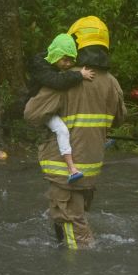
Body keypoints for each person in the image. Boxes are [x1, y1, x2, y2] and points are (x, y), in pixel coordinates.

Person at [24, 16, 125, 249]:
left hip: (65, 171)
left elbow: (31, 114)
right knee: (77, 219)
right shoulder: (112, 83)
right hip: (91, 169)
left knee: (72, 229)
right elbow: (119, 119)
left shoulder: (65, 80)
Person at [26, 33, 96, 182]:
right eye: (65, 60)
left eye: (71, 60)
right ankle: (72, 169)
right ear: (56, 55)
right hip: (41, 107)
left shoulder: (55, 61)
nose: (68, 64)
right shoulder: (40, 65)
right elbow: (57, 81)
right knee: (62, 130)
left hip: (56, 106)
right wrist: (79, 75)